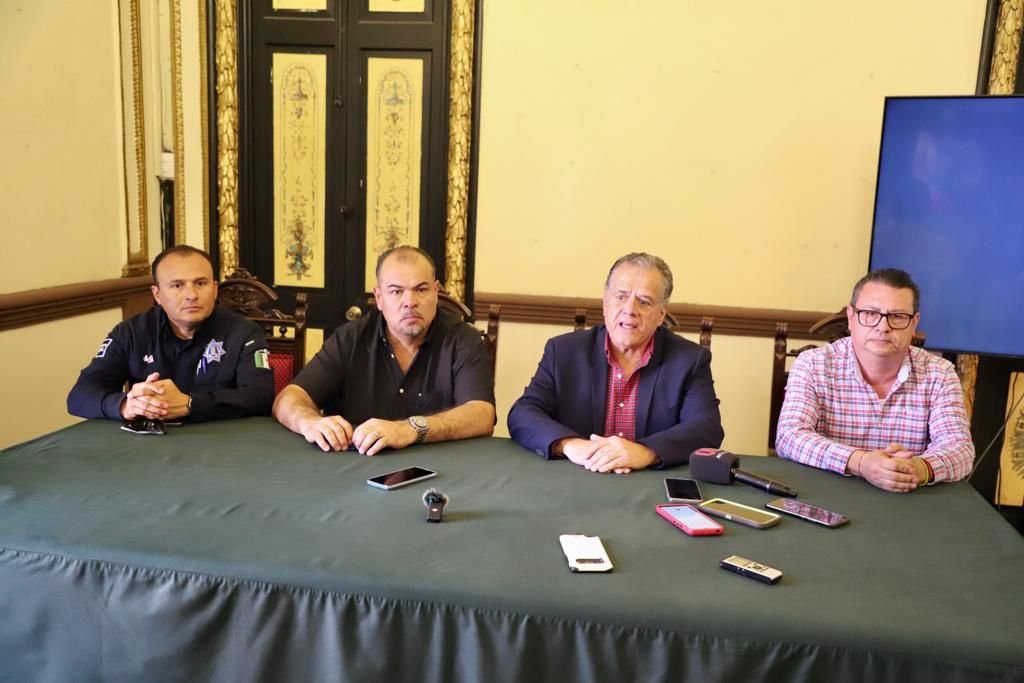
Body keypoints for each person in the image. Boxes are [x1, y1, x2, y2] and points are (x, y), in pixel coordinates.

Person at [507, 252, 724, 473]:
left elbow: (706, 428)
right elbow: (523, 413)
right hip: (576, 476)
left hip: (647, 482)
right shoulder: (563, 351)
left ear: (661, 314)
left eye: (644, 302)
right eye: (621, 297)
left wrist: (646, 452)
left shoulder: (689, 360)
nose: (630, 310)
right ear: (605, 304)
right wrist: (570, 444)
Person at [273, 245, 495, 454]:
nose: (410, 301)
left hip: (439, 465)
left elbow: (481, 414)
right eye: (396, 291)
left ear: (436, 292)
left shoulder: (463, 339)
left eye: (421, 289)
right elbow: (289, 398)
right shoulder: (350, 338)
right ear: (379, 298)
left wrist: (409, 429)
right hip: (356, 463)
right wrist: (310, 422)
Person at [775, 268, 975, 492]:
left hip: (907, 497)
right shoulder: (813, 364)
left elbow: (960, 449)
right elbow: (789, 436)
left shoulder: (939, 373)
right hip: (825, 495)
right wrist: (861, 462)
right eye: (871, 313)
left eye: (897, 316)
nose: (883, 327)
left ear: (914, 323)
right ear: (851, 317)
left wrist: (918, 468)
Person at [67, 245, 275, 422]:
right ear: (157, 294)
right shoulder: (131, 333)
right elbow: (79, 395)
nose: (191, 295)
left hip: (222, 442)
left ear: (214, 289)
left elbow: (261, 397)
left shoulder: (244, 333)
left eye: (200, 283)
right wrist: (125, 405)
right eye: (177, 285)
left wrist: (190, 404)